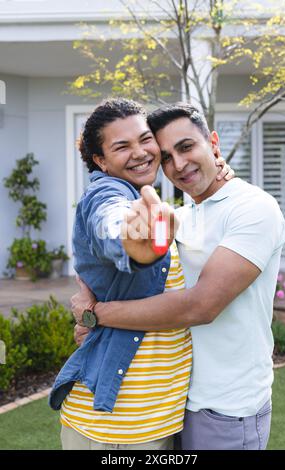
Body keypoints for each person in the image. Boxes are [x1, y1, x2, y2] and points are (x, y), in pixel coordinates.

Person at [72, 102, 285, 451]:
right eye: (167, 156)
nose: (179, 164)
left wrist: (97, 316)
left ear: (213, 143)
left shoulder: (253, 208)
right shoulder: (182, 217)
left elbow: (200, 307)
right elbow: (118, 239)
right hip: (172, 406)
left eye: (187, 147)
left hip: (225, 409)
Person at [49, 98, 232, 451]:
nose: (140, 153)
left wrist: (218, 174)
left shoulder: (161, 203)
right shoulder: (108, 194)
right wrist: (132, 239)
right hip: (113, 430)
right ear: (100, 161)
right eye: (122, 147)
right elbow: (112, 222)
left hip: (160, 423)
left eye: (145, 139)